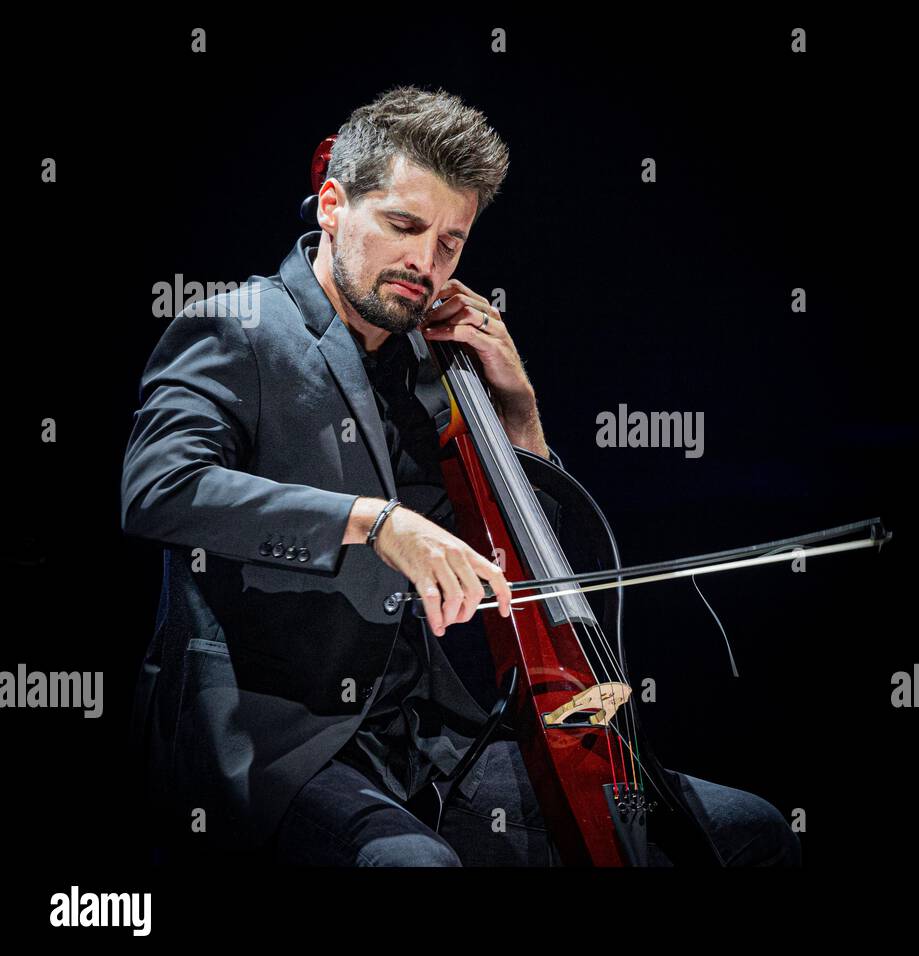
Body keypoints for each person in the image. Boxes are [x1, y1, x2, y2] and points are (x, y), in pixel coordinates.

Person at [122, 85, 800, 867]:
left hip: (424, 738)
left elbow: (529, 544)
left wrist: (520, 416)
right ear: (333, 205)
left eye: (450, 242)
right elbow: (157, 489)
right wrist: (375, 521)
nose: (425, 263)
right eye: (403, 226)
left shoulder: (433, 369)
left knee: (747, 829)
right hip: (271, 737)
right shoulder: (237, 326)